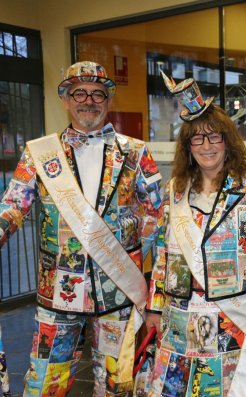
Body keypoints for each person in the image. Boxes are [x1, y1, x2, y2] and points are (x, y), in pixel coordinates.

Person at [0, 61, 162, 396]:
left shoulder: (136, 152)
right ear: (65, 99)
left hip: (119, 288)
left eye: (98, 94)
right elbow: (13, 205)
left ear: (108, 100)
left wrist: (135, 257)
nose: (89, 100)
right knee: (45, 383)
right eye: (80, 93)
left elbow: (159, 214)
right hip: (58, 290)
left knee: (120, 385)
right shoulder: (39, 153)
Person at [144, 72, 246, 397]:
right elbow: (163, 255)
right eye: (197, 139)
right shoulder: (172, 191)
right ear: (187, 146)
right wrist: (153, 306)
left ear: (227, 141)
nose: (207, 146)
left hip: (238, 318)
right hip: (182, 317)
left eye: (214, 137)